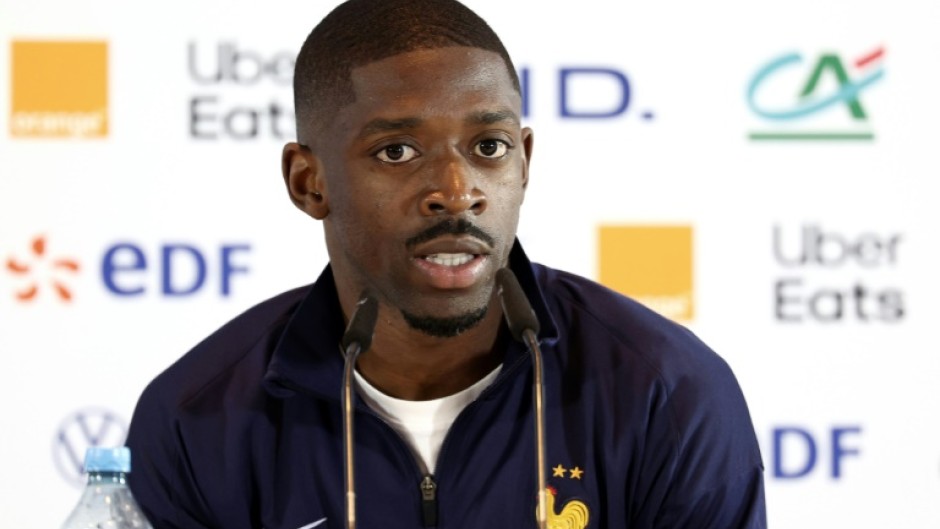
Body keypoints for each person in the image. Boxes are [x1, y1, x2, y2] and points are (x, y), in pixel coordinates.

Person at [125, 0, 767, 527]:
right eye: (397, 151)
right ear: (308, 182)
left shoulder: (666, 394)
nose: (457, 191)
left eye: (489, 146)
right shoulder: (196, 419)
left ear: (524, 163)